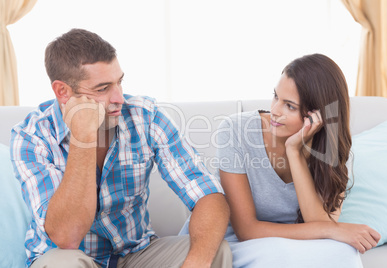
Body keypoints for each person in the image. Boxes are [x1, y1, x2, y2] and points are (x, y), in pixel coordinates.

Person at [10, 28, 232, 268]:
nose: (119, 98)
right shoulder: (32, 137)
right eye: (102, 89)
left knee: (216, 249)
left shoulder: (145, 116)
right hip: (71, 257)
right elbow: (66, 236)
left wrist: (197, 262)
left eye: (119, 82)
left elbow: (207, 195)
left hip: (135, 254)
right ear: (63, 92)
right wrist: (83, 137)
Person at [180, 54, 381, 267]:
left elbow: (319, 226)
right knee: (283, 256)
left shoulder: (335, 151)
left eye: (290, 106)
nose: (275, 111)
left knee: (344, 253)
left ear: (319, 116)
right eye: (276, 96)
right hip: (228, 243)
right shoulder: (235, 131)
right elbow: (247, 230)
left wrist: (294, 151)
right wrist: (334, 229)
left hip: (292, 244)